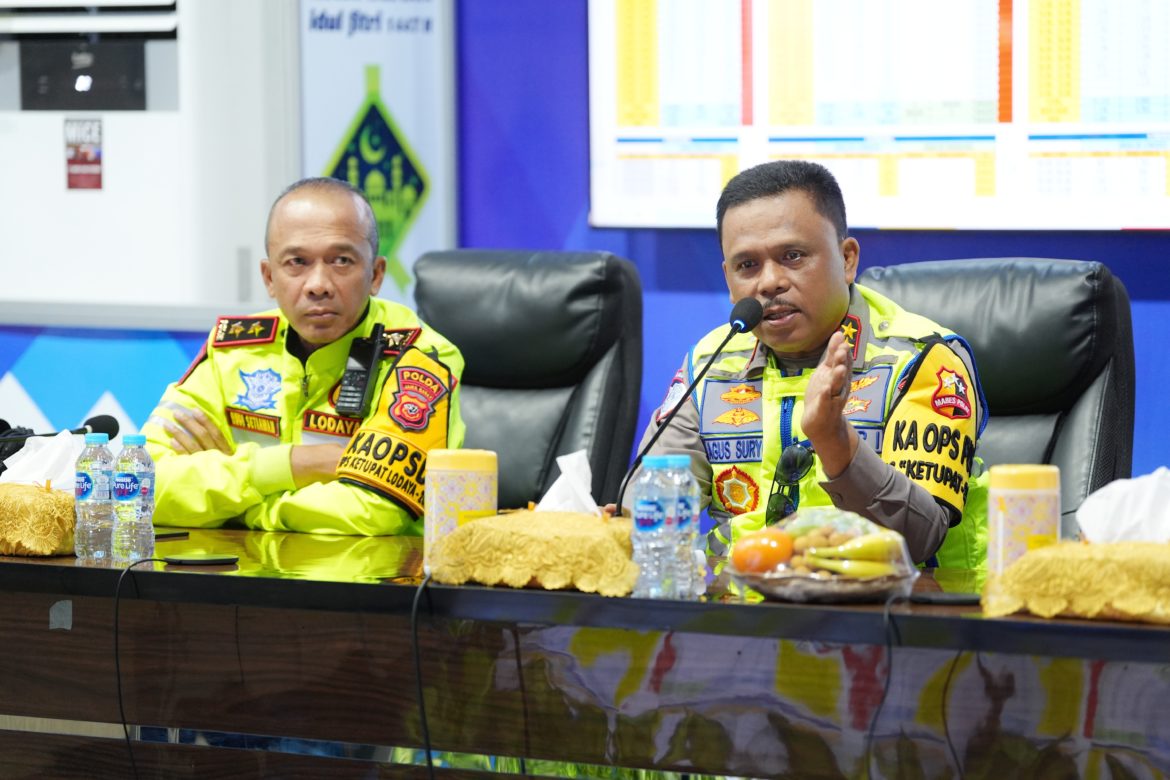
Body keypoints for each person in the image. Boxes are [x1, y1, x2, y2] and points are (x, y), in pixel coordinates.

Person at [632, 160, 987, 569]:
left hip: (899, 603)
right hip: (741, 602)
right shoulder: (711, 363)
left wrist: (834, 441)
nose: (769, 282)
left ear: (847, 259)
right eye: (747, 265)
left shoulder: (921, 360)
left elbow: (919, 537)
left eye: (793, 256)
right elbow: (648, 500)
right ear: (729, 278)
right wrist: (628, 518)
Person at [141, 177, 464, 535]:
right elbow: (142, 484)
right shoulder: (234, 348)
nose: (318, 284)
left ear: (375, 275)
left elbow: (375, 511)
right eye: (297, 262)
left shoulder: (420, 356)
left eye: (341, 261)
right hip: (244, 566)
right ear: (269, 277)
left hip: (377, 568)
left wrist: (237, 510)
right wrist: (290, 465)